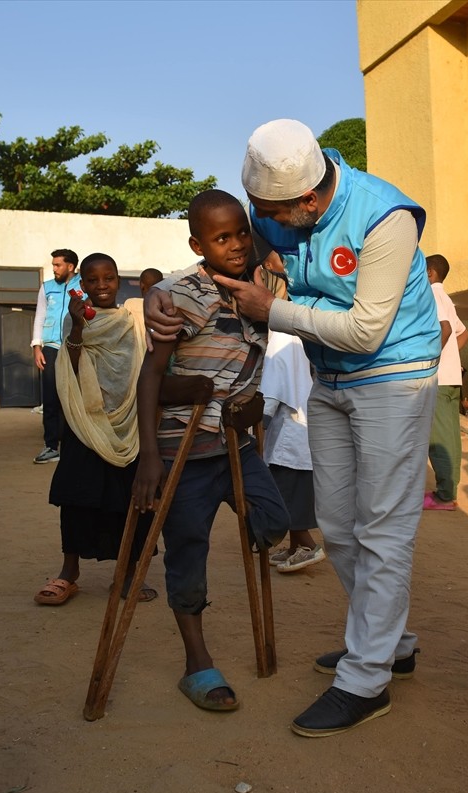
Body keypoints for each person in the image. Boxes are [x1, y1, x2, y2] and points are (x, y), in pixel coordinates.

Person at [147, 119, 440, 737]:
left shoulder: (386, 218)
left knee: (383, 527)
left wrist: (271, 309)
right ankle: (393, 642)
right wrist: (157, 295)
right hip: (330, 380)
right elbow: (213, 254)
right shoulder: (275, 207)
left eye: (273, 213)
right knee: (336, 522)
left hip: (394, 375)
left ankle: (365, 680)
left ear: (309, 199)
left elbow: (367, 331)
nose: (262, 226)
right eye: (258, 211)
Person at [131, 189, 289, 713]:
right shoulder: (180, 294)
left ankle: (250, 541)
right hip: (184, 451)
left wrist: (246, 404)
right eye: (222, 238)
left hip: (235, 445)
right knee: (188, 550)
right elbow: (150, 379)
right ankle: (196, 660)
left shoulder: (262, 285)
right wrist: (149, 457)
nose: (237, 244)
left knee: (274, 521)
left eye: (242, 232)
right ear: (199, 243)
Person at [33, 253, 158, 606]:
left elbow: (142, 366)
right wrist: (76, 327)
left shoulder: (132, 320)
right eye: (93, 280)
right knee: (77, 494)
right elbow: (71, 365)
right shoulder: (76, 320)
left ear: (118, 280)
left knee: (133, 497)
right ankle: (69, 571)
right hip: (86, 422)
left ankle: (129, 572)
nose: (101, 285)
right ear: (82, 284)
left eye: (109, 278)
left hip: (128, 423)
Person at [260, 330, 325, 573]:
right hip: (303, 421)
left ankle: (308, 546)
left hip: (291, 429)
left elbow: (274, 384)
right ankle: (295, 547)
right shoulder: (297, 329)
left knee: (286, 497)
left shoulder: (281, 334)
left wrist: (261, 421)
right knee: (294, 492)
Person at [424, 253, 468, 511]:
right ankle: (449, 489)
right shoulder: (446, 298)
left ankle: (444, 495)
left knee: (437, 436)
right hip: (451, 376)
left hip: (439, 377)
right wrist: (451, 357)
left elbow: (446, 330)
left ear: (430, 272)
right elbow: (463, 333)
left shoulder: (430, 294)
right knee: (451, 436)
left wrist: (431, 360)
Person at [30, 249, 80, 464]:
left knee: (73, 398)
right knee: (50, 398)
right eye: (54, 265)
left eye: (58, 265)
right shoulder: (47, 287)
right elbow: (40, 316)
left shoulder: (83, 285)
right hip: (50, 347)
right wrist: (36, 347)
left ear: (70, 266)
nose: (54, 269)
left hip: (75, 347)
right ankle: (51, 446)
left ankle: (74, 446)